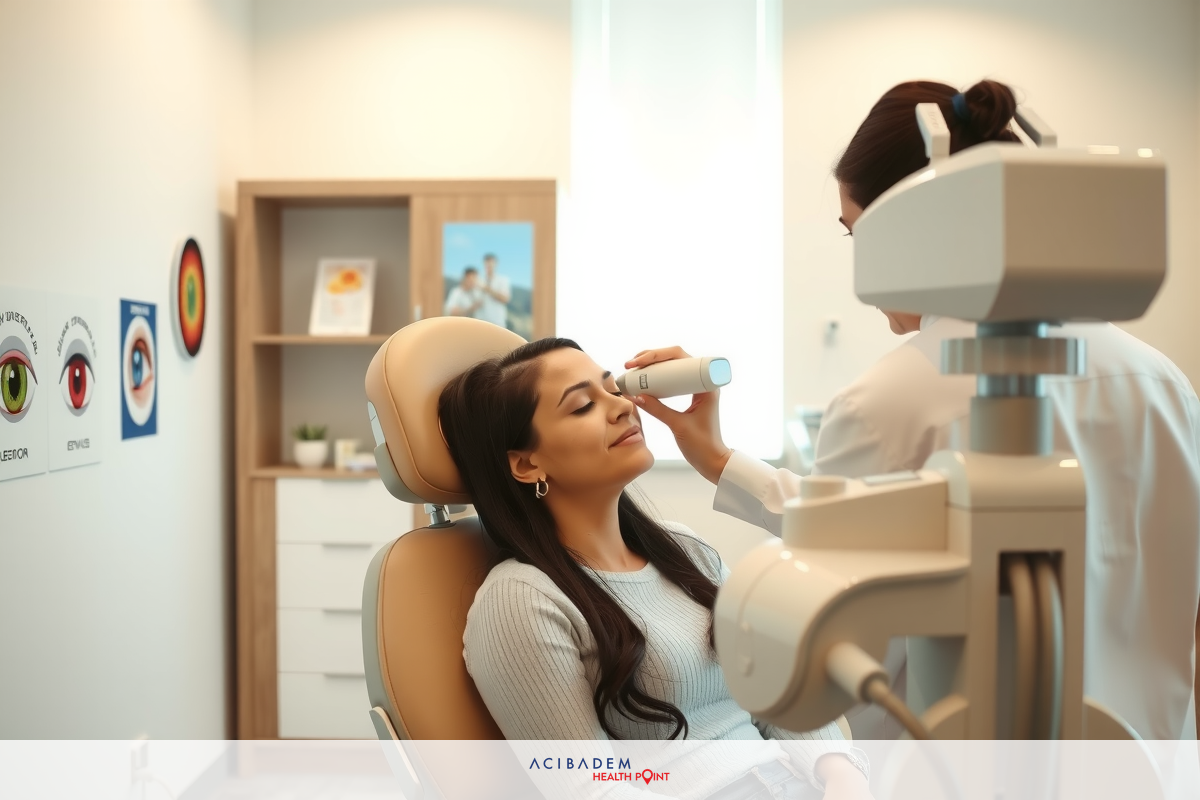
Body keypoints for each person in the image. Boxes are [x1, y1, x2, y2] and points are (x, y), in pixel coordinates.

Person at [626, 79, 1200, 742]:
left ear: (907, 224)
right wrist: (721, 460)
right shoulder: (1162, 381)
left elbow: (841, 587)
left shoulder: (887, 401)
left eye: (856, 234)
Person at [438, 337, 873, 800]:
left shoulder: (686, 550)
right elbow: (587, 786)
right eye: (583, 406)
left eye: (614, 389)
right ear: (527, 464)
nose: (623, 408)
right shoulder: (521, 599)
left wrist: (841, 776)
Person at [475, 252, 512, 328]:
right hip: (480, 322)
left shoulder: (503, 280)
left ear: (496, 264)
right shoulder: (478, 280)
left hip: (497, 323)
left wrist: (487, 289)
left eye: (491, 263)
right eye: (487, 263)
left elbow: (505, 299)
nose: (489, 266)